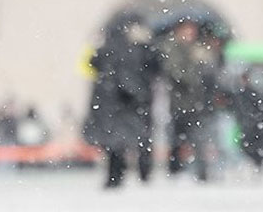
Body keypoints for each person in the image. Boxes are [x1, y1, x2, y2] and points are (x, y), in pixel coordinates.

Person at [83, 12, 159, 188]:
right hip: (125, 104)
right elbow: (132, 76)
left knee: (114, 144)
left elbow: (93, 64)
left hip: (108, 104)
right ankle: (134, 173)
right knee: (131, 139)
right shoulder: (131, 49)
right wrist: (138, 95)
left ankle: (115, 175)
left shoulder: (106, 48)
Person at [159, 19, 221, 182]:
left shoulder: (198, 48)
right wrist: (195, 70)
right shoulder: (173, 48)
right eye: (187, 30)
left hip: (197, 103)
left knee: (198, 139)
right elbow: (177, 73)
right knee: (178, 139)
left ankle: (200, 172)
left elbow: (212, 72)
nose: (190, 34)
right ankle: (176, 171)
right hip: (181, 103)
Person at [230, 72, 263, 171]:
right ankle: (258, 166)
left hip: (253, 127)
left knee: (253, 147)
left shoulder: (250, 94)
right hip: (253, 127)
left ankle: (257, 166)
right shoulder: (246, 94)